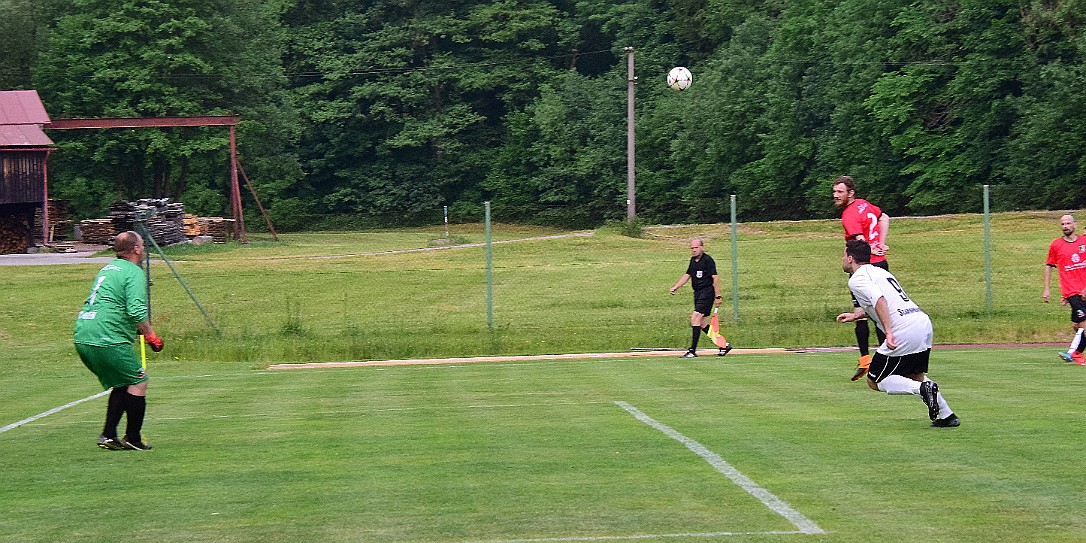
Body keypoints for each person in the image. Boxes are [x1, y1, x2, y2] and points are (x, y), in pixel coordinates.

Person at [836, 240, 958, 427]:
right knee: (913, 375)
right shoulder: (880, 271)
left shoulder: (857, 279)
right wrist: (856, 315)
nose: (842, 259)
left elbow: (879, 300)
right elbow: (886, 301)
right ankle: (947, 415)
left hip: (904, 329)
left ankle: (923, 389)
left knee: (875, 381)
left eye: (844, 256)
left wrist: (889, 332)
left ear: (851, 259)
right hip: (921, 323)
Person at [74, 230, 164, 450]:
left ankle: (108, 435)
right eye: (142, 245)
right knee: (139, 381)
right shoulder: (133, 271)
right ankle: (133, 439)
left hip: (83, 334)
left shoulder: (107, 268)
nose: (143, 249)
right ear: (135, 249)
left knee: (122, 383)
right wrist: (151, 335)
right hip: (107, 337)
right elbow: (135, 311)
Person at [833, 175, 891, 380]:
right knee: (873, 311)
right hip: (880, 263)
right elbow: (884, 217)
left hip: (864, 268)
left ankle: (876, 360)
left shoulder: (849, 214)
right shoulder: (865, 205)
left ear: (851, 193)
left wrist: (867, 248)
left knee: (866, 311)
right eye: (834, 192)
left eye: (840, 192)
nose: (835, 195)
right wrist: (880, 244)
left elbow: (858, 240)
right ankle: (872, 360)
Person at [669, 238, 731, 358]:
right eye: (692, 248)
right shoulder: (693, 261)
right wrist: (676, 287)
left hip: (707, 293)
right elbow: (688, 275)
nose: (694, 250)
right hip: (697, 293)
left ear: (702, 247)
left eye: (696, 248)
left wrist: (718, 296)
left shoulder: (708, 260)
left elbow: (715, 278)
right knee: (702, 324)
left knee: (695, 318)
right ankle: (724, 345)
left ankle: (692, 350)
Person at [1043, 214, 1086, 365]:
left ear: (1075, 224)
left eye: (1068, 223)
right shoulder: (1056, 245)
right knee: (1085, 324)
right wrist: (1047, 289)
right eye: (1062, 224)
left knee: (1078, 325)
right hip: (1072, 292)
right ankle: (1075, 353)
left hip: (1084, 290)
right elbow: (1049, 266)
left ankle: (1073, 351)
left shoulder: (1084, 241)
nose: (1065, 226)